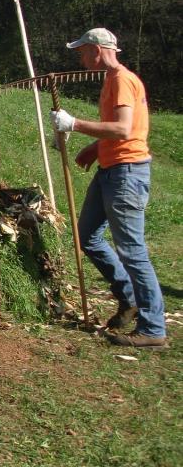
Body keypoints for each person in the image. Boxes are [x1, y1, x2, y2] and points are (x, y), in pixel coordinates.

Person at [51, 28, 166, 348]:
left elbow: (123, 128)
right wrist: (93, 150)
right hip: (111, 170)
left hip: (126, 175)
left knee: (132, 251)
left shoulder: (121, 80)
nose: (80, 57)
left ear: (97, 50)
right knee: (86, 235)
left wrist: (73, 123)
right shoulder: (112, 80)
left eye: (82, 51)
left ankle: (154, 328)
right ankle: (128, 298)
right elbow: (121, 132)